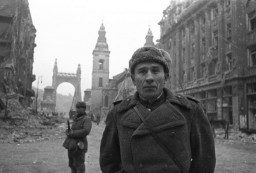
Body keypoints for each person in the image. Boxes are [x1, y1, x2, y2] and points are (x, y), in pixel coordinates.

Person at [100, 46, 216, 173]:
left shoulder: (190, 110)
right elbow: (109, 162)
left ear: (166, 77)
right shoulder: (118, 113)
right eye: (142, 71)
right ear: (133, 79)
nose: (149, 77)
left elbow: (205, 161)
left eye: (155, 71)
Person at [64, 101, 92, 173]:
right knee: (72, 164)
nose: (78, 109)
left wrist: (73, 133)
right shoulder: (75, 118)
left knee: (79, 165)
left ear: (84, 109)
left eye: (80, 108)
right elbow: (72, 129)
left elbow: (86, 131)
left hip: (80, 145)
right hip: (71, 144)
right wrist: (68, 131)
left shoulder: (87, 119)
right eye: (77, 108)